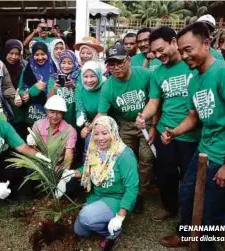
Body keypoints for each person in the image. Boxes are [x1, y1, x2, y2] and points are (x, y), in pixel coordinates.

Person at [160, 22, 225, 250]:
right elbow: (194, 117)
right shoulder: (195, 80)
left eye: (189, 49)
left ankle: (202, 245)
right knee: (187, 195)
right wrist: (175, 131)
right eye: (181, 51)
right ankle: (187, 234)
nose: (184, 56)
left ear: (206, 43)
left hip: (224, 156)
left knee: (206, 210)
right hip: (204, 150)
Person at [135, 27, 200, 221]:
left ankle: (189, 217)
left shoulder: (193, 65)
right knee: (165, 175)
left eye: (161, 50)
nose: (157, 55)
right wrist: (144, 117)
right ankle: (170, 207)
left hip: (192, 134)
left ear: (174, 42)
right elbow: (155, 102)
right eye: (154, 52)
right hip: (165, 133)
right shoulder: (157, 73)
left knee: (190, 179)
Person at [57, 116, 138, 251]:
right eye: (96, 133)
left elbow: (132, 188)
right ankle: (104, 221)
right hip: (98, 195)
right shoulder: (95, 149)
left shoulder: (124, 155)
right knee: (80, 231)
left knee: (86, 217)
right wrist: (72, 173)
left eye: (105, 133)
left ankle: (113, 233)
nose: (100, 138)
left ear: (113, 132)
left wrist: (120, 217)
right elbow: (89, 168)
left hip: (116, 197)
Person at [97, 44, 155, 213]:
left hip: (147, 121)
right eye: (111, 64)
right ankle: (126, 191)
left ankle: (139, 194)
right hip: (126, 123)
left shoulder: (145, 75)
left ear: (129, 60)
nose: (116, 67)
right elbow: (102, 114)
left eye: (120, 62)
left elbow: (156, 100)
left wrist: (152, 124)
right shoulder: (108, 86)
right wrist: (89, 129)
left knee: (147, 157)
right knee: (124, 158)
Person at [27, 95, 77, 169]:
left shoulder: (70, 130)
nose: (55, 116)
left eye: (58, 113)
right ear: (47, 111)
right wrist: (31, 143)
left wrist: (63, 173)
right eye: (52, 112)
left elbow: (68, 157)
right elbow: (33, 150)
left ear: (63, 113)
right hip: (39, 164)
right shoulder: (38, 125)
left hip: (58, 167)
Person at [18, 42, 56, 126]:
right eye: (36, 54)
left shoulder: (54, 69)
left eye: (43, 54)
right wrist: (33, 90)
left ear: (47, 54)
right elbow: (20, 91)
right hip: (34, 114)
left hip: (53, 115)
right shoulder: (27, 70)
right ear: (32, 55)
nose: (40, 57)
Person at [75, 61, 106, 162]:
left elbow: (103, 111)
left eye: (92, 76)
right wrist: (84, 126)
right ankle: (86, 173)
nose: (89, 80)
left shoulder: (105, 86)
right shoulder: (80, 88)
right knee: (88, 142)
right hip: (89, 122)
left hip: (106, 121)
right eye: (85, 76)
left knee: (95, 140)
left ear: (99, 75)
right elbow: (80, 109)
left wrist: (88, 128)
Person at [2, 39, 28, 138]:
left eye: (17, 54)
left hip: (21, 108)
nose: (14, 57)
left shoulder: (24, 65)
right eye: (11, 53)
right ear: (5, 52)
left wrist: (25, 94)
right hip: (6, 106)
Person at [49, 50, 79, 126]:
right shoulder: (53, 78)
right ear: (59, 63)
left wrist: (74, 86)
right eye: (63, 62)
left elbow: (83, 98)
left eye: (70, 63)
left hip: (74, 117)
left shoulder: (79, 77)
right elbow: (48, 100)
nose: (66, 66)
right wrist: (54, 88)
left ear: (74, 63)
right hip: (58, 118)